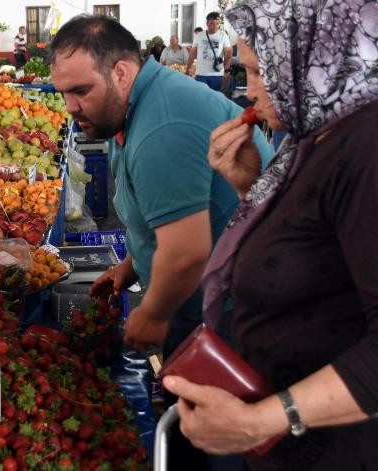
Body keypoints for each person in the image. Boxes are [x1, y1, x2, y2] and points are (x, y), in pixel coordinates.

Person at [51, 15, 273, 470]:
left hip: (229, 309)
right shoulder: (133, 107)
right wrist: (132, 264)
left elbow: (187, 252)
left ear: (120, 72)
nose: (71, 106)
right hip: (204, 297)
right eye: (64, 93)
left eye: (81, 91)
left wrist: (153, 314)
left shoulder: (161, 124)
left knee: (221, 440)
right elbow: (160, 212)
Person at [163, 1, 378, 471]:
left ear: (318, 57)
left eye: (261, 72)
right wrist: (248, 186)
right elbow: (309, 251)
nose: (250, 91)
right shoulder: (314, 135)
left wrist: (263, 421)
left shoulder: (367, 148)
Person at [186, 12, 232, 91]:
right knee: (201, 96)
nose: (215, 26)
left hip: (217, 74)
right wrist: (187, 69)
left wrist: (227, 69)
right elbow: (192, 54)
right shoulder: (199, 35)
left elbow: (228, 54)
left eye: (217, 23)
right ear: (207, 23)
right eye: (211, 23)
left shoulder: (223, 35)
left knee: (214, 97)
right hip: (201, 74)